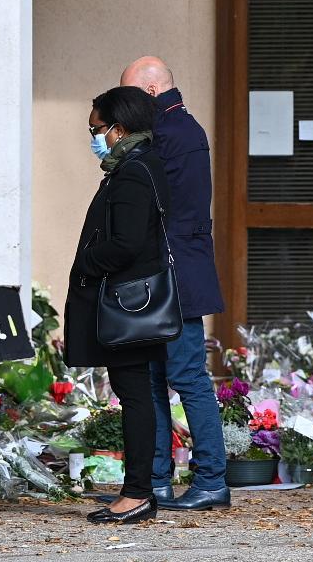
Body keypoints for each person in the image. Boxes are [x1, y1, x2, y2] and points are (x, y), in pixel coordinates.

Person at [118, 55, 229, 511]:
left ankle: (210, 480)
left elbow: (156, 207)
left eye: (127, 99)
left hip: (173, 276)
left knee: (185, 377)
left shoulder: (169, 135)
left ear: (148, 93)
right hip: (172, 272)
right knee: (155, 378)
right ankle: (156, 480)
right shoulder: (179, 129)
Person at [64, 86, 170, 525]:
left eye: (96, 129)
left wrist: (86, 261)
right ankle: (139, 490)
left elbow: (125, 243)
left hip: (126, 304)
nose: (93, 138)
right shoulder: (139, 166)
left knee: (135, 396)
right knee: (137, 393)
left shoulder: (132, 172)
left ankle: (137, 493)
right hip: (131, 302)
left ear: (119, 129)